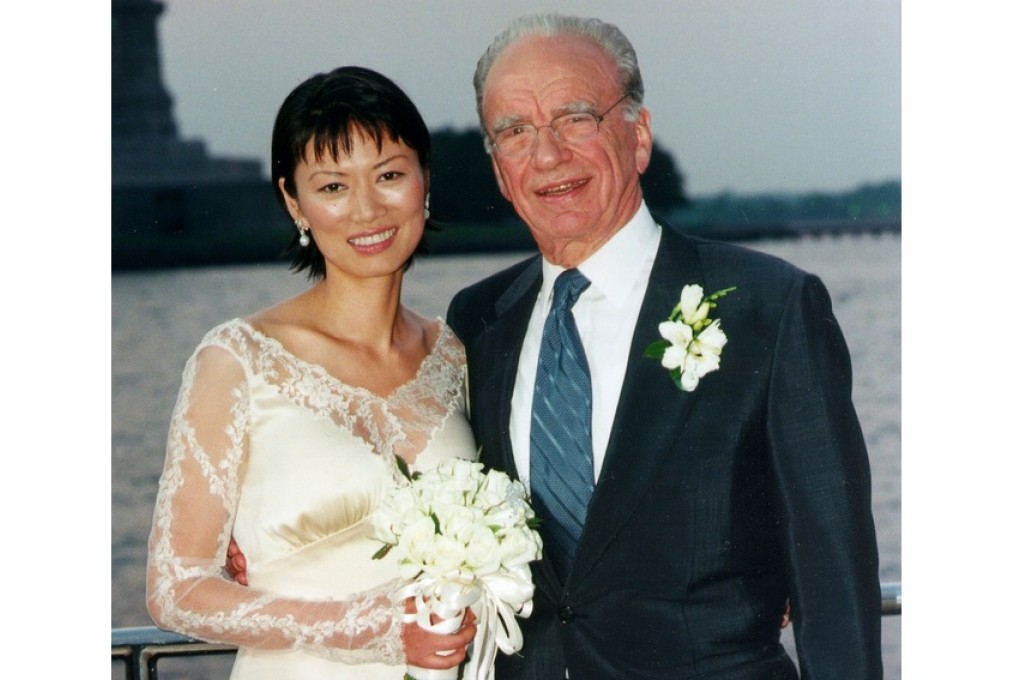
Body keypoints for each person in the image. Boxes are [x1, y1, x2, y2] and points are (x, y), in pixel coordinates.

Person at [443, 13, 884, 679]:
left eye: (576, 117)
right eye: (514, 132)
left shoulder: (770, 306)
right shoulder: (477, 320)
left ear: (639, 136)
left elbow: (832, 575)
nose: (547, 155)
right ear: (499, 171)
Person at [145, 65, 478, 679]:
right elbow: (177, 587)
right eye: (332, 187)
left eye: (389, 175)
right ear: (293, 201)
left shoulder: (458, 355)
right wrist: (373, 630)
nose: (366, 209)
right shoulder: (237, 360)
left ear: (424, 182)